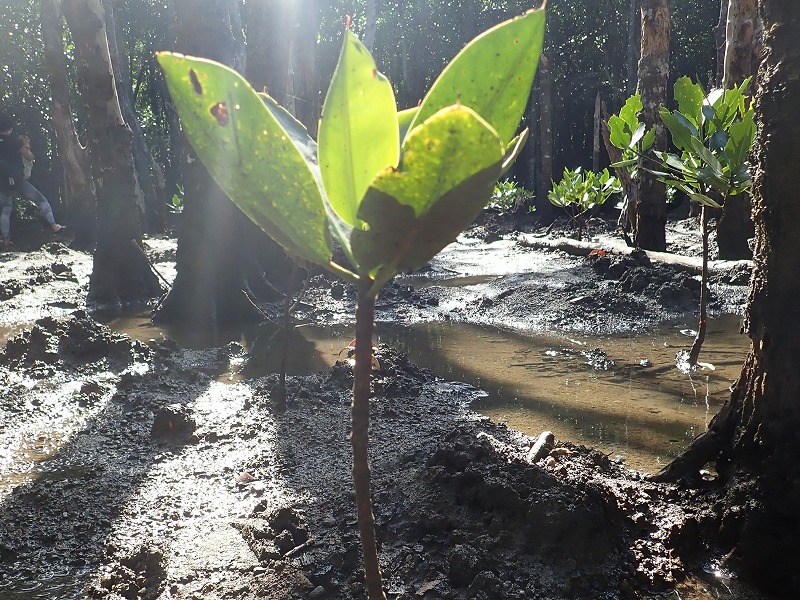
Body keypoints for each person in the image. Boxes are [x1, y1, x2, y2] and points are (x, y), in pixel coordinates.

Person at [0, 113, 65, 249]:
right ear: (9, 128)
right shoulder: (16, 142)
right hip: (18, 180)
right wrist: (27, 145)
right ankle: (54, 225)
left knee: (6, 209)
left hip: (3, 181)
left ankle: (5, 239)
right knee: (40, 199)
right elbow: (29, 157)